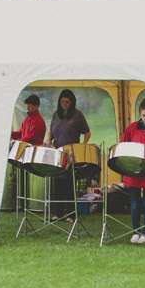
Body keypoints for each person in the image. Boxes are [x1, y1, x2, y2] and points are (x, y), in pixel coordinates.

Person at [120, 98, 145, 244]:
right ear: (140, 114)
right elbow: (123, 146)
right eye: (143, 115)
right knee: (135, 203)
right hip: (134, 170)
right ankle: (136, 232)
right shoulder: (132, 128)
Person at [46, 89, 90, 219]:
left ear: (72, 102)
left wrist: (82, 146)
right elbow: (50, 132)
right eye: (62, 102)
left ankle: (70, 214)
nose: (64, 104)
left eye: (67, 102)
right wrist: (48, 141)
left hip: (71, 154)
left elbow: (87, 133)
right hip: (58, 153)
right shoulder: (56, 115)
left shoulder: (78, 115)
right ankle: (57, 213)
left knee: (69, 183)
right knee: (57, 183)